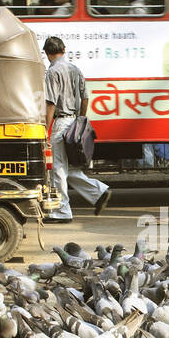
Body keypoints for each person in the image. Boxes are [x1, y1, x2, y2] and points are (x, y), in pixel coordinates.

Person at [42, 37, 109, 223]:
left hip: (61, 123)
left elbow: (50, 104)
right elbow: (85, 97)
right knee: (68, 167)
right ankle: (98, 191)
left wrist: (45, 130)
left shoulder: (52, 72)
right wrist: (81, 119)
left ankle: (62, 211)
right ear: (64, 49)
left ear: (47, 53)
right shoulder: (75, 69)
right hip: (74, 121)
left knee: (58, 169)